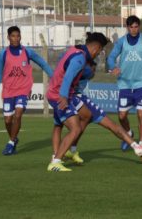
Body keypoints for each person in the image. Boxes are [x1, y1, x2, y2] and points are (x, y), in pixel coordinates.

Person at [52, 60, 142, 165]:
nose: (94, 71)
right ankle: (60, 157)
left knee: (59, 125)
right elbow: (82, 74)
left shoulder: (78, 69)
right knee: (108, 125)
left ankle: (61, 154)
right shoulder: (83, 70)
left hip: (65, 96)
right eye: (94, 68)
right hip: (72, 98)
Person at [46, 32, 108, 171]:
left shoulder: (76, 50)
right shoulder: (80, 58)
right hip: (59, 96)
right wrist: (63, 97)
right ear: (96, 48)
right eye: (99, 52)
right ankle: (56, 162)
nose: (97, 55)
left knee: (59, 125)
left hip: (57, 93)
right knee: (75, 128)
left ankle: (57, 157)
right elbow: (68, 77)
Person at [107, 15, 142, 151]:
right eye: (131, 27)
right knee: (121, 116)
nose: (134, 29)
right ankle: (128, 133)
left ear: (139, 27)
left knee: (141, 114)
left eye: (136, 26)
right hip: (125, 84)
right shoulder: (121, 42)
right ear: (127, 28)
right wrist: (113, 67)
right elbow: (111, 57)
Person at [0, 26, 53, 155]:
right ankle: (13, 139)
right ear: (8, 37)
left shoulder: (27, 52)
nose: (16, 38)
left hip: (23, 89)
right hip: (8, 90)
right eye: (13, 36)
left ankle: (10, 143)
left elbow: (43, 63)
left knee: (18, 114)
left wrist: (54, 77)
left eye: (18, 36)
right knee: (8, 120)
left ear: (20, 37)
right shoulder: (3, 54)